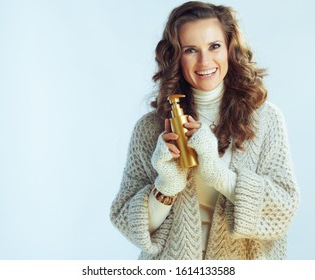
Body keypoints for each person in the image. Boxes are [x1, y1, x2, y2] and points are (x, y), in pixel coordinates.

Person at [110, 1, 299, 260]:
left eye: (214, 46)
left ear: (230, 48)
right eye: (190, 50)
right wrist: (166, 185)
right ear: (176, 56)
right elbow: (127, 221)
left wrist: (217, 173)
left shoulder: (265, 120)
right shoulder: (150, 128)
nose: (204, 61)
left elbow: (283, 208)